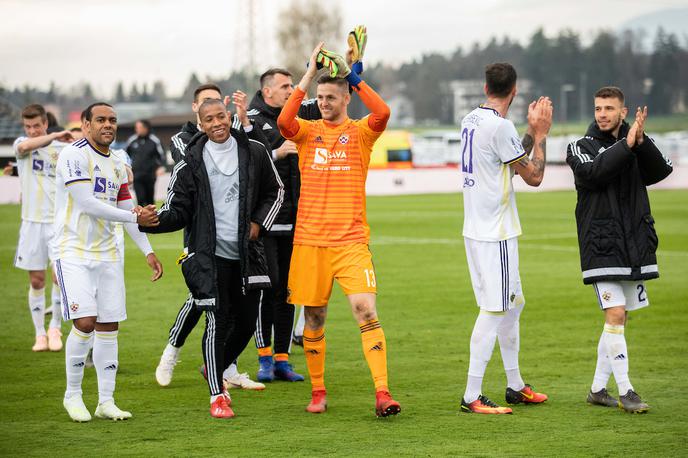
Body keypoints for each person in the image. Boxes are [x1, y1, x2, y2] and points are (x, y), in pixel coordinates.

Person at [277, 43, 400, 417]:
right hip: (310, 243)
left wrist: (351, 75)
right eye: (320, 97)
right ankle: (318, 391)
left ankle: (383, 393)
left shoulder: (362, 133)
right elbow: (284, 123)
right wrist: (309, 74)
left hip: (351, 243)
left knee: (365, 310)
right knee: (314, 318)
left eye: (331, 96)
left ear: (346, 97)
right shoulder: (306, 132)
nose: (324, 102)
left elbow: (383, 111)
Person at [140, 97, 283, 419]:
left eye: (221, 116)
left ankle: (213, 366)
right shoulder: (190, 162)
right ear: (201, 124)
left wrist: (259, 223)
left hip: (247, 253)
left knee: (246, 322)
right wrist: (151, 221)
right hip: (208, 253)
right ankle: (217, 396)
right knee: (217, 320)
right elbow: (177, 210)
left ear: (229, 117)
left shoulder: (255, 151)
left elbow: (276, 191)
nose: (216, 123)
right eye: (209, 119)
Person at [566, 86, 672, 413]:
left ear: (622, 112)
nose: (602, 113)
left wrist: (640, 142)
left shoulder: (634, 143)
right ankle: (626, 391)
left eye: (609, 108)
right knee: (614, 314)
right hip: (601, 246)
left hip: (634, 244)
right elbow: (594, 172)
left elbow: (660, 171)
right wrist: (627, 145)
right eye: (598, 108)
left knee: (620, 318)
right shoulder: (578, 146)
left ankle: (598, 389)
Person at [54, 102, 163, 422]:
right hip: (73, 251)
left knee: (108, 326)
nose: (108, 125)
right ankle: (72, 395)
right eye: (100, 119)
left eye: (113, 120)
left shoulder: (117, 162)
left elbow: (129, 211)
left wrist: (148, 250)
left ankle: (106, 401)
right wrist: (134, 214)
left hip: (108, 255)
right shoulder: (73, 155)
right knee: (85, 322)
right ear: (85, 124)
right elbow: (87, 204)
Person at [155, 83, 265, 391]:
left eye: (220, 110)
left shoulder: (242, 145)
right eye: (207, 110)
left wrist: (244, 123)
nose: (216, 119)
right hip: (198, 236)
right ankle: (172, 351)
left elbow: (256, 159)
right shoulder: (184, 142)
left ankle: (224, 368)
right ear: (197, 113)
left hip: (236, 241)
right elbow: (187, 179)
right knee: (202, 302)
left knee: (231, 310)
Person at [458, 63, 552, 414]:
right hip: (494, 232)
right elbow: (533, 176)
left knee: (514, 304)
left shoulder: (471, 120)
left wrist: (526, 132)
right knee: (495, 309)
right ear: (515, 90)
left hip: (477, 229)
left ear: (485, 88)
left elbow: (510, 159)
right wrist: (540, 135)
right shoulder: (500, 126)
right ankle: (471, 395)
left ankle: (514, 385)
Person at [13, 104, 74, 352]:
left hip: (58, 224)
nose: (32, 131)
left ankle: (55, 328)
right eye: (28, 127)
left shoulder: (63, 149)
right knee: (37, 280)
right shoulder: (22, 146)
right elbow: (25, 146)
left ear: (45, 123)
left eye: (36, 125)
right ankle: (39, 334)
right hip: (31, 224)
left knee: (59, 277)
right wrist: (53, 136)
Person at [125, 119, 165, 205]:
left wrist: (161, 167)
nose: (137, 129)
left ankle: (152, 217)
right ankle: (142, 217)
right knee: (140, 198)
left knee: (150, 199)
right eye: (136, 127)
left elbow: (162, 155)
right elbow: (125, 156)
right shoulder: (132, 140)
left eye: (140, 127)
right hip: (137, 175)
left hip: (150, 175)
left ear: (146, 128)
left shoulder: (154, 140)